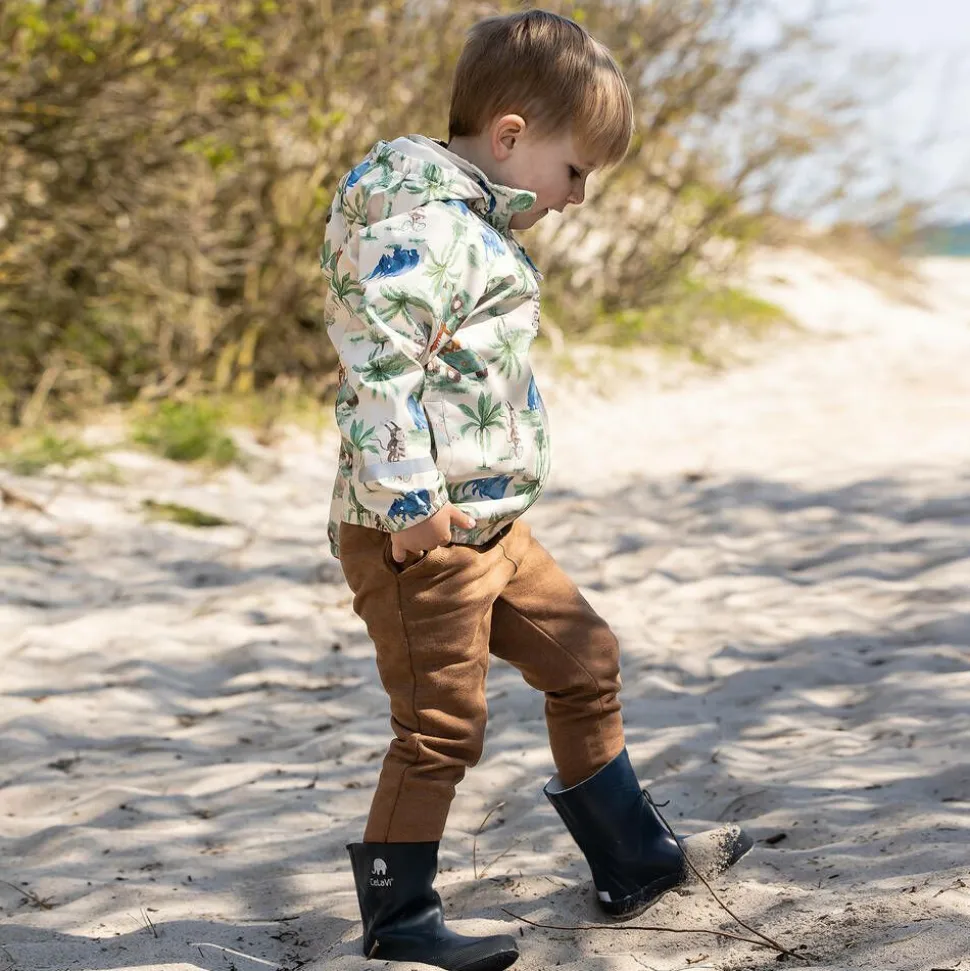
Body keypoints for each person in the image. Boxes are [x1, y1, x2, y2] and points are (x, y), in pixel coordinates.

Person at [320, 11, 751, 971]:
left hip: (494, 525)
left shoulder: (470, 222)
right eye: (576, 171)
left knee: (586, 660)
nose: (579, 197)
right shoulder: (421, 228)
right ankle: (399, 920)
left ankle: (633, 858)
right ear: (511, 137)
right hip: (423, 535)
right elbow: (379, 367)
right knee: (439, 729)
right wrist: (409, 501)